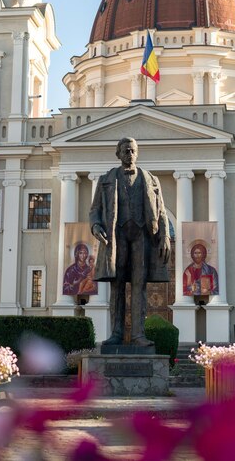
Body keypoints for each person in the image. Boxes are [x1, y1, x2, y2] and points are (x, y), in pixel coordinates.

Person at [90, 137, 170, 347]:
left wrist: (165, 236)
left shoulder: (151, 179)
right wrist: (96, 225)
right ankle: (116, 333)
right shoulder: (106, 179)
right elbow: (95, 210)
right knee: (117, 285)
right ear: (118, 154)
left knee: (139, 285)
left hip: (142, 237)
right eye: (125, 150)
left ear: (137, 153)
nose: (130, 154)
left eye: (133, 150)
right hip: (117, 237)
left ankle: (138, 335)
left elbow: (161, 211)